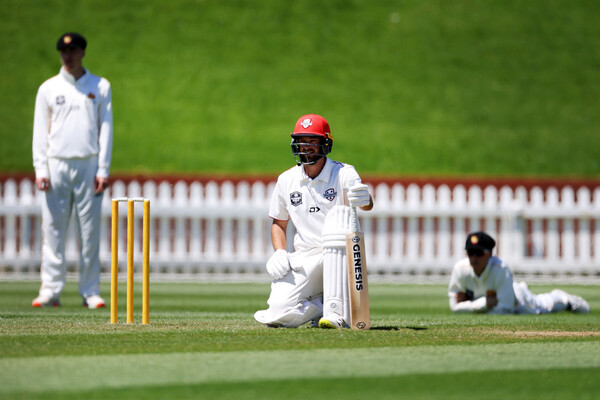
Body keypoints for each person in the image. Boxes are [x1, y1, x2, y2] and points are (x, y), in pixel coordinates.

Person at [254, 114, 373, 328]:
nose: (306, 147)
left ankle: (336, 311)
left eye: (312, 142)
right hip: (306, 256)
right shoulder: (287, 179)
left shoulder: (343, 173)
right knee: (277, 311)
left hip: (340, 255)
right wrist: (280, 252)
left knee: (337, 224)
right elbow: (279, 224)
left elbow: (364, 203)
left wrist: (365, 199)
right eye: (302, 141)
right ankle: (318, 305)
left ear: (325, 144)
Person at [31, 32, 113, 308]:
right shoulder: (49, 88)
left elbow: (106, 128)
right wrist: (41, 168)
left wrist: (103, 168)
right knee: (53, 228)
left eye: (74, 50)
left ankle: (90, 291)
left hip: (88, 163)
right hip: (56, 163)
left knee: (89, 232)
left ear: (83, 53)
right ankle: (50, 290)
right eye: (64, 51)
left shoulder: (100, 86)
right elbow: (40, 131)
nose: (68, 56)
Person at [448, 231, 590, 314]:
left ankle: (564, 299)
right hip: (494, 300)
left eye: (478, 253)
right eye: (470, 253)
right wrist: (484, 303)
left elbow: (505, 309)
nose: (473, 258)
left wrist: (469, 306)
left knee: (541, 306)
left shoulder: (500, 269)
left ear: (490, 253)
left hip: (518, 300)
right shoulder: (460, 270)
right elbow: (454, 307)